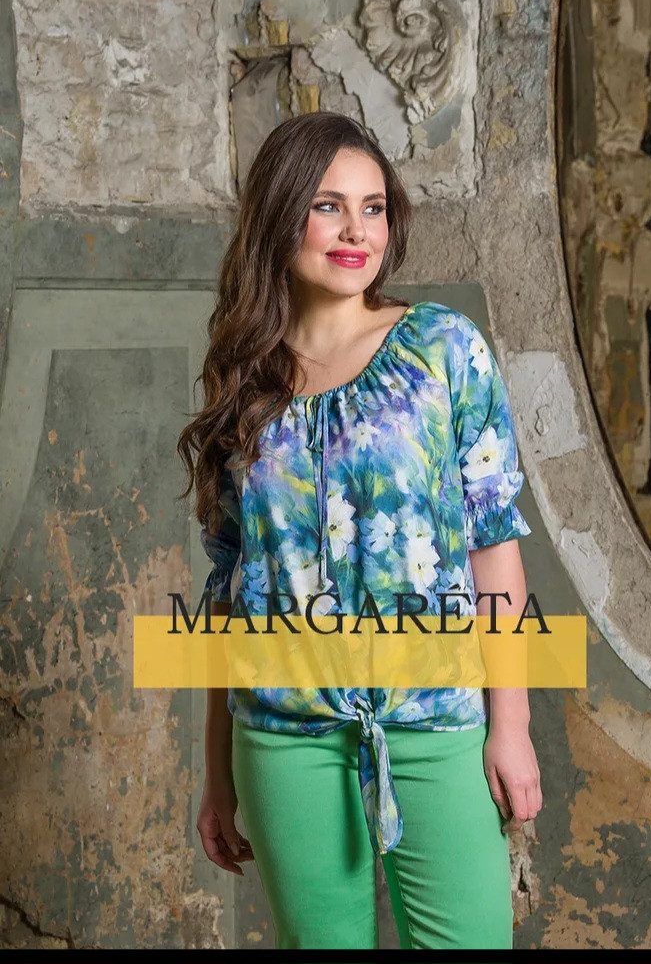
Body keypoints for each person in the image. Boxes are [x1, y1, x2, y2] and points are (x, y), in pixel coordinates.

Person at [177, 111, 542, 950]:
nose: (356, 231)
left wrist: (511, 726)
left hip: (435, 722)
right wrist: (216, 769)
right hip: (284, 738)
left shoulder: (444, 350)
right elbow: (228, 595)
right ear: (281, 216)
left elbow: (494, 548)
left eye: (372, 207)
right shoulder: (247, 379)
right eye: (328, 206)